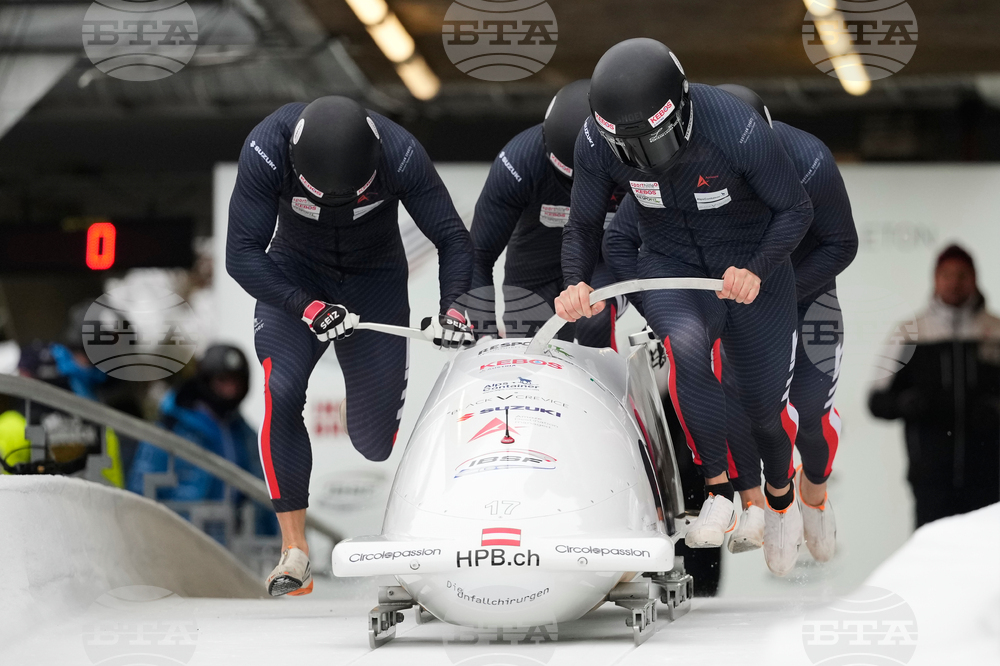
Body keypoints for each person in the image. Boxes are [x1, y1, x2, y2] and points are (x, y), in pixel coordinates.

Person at [556, 39, 813, 576]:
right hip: (672, 263)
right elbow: (583, 224)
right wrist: (575, 282)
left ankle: (781, 498)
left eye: (653, 141)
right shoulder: (594, 141)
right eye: (628, 147)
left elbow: (795, 208)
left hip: (748, 268)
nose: (642, 157)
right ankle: (717, 491)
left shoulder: (735, 127)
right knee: (686, 346)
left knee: (762, 409)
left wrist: (758, 268)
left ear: (681, 110)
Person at [226, 96, 475, 596]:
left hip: (373, 279)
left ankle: (363, 393)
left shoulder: (401, 153)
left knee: (372, 442)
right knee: (284, 386)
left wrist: (454, 307)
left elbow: (451, 236)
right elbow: (240, 255)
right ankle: (294, 552)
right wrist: (306, 306)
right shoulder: (267, 149)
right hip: (296, 276)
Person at [603, 85, 858, 569]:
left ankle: (815, 491)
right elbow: (625, 238)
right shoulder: (696, 165)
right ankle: (766, 502)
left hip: (803, 291)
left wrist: (774, 292)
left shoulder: (809, 161)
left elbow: (841, 244)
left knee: (810, 415)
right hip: (738, 293)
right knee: (742, 400)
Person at [471, 79, 626, 346]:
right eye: (573, 182)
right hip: (536, 262)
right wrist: (484, 332)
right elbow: (478, 255)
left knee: (594, 319)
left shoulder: (633, 165)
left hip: (602, 259)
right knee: (530, 348)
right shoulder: (518, 162)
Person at [869, 245, 1000, 528]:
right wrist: (905, 403)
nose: (955, 282)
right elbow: (877, 400)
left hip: (991, 479)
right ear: (935, 278)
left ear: (975, 278)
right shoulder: (910, 333)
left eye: (962, 274)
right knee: (933, 566)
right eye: (947, 274)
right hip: (930, 482)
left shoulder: (996, 330)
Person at [128, 344, 278, 542]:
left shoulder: (245, 434)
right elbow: (141, 489)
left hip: (237, 546)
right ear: (207, 380)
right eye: (222, 380)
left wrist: (277, 543)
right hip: (181, 543)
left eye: (236, 382)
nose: (230, 389)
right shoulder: (172, 428)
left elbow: (262, 494)